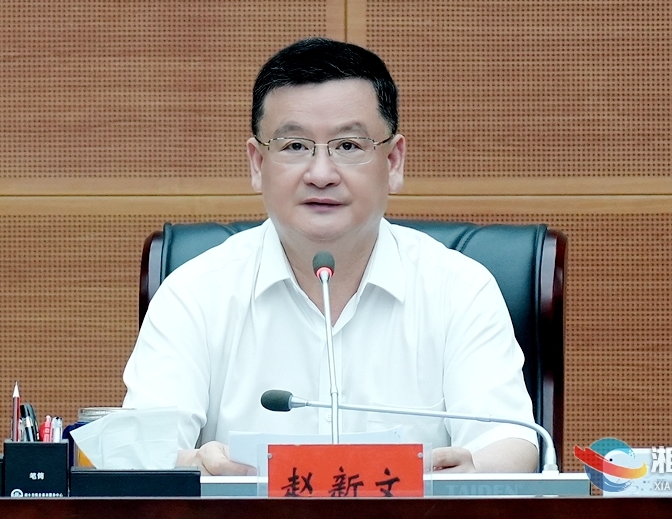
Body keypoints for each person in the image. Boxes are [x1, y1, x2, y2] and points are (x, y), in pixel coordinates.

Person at [122, 37, 539, 475]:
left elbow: (509, 442)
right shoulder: (194, 294)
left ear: (393, 162)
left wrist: (474, 469)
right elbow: (139, 453)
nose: (321, 174)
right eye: (295, 146)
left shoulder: (459, 289)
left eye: (349, 146)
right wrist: (195, 464)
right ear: (257, 164)